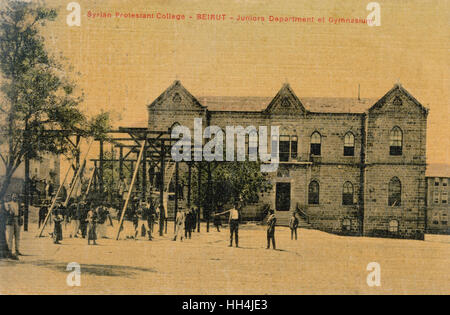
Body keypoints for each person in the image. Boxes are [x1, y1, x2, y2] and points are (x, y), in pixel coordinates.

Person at [5, 194, 23, 258]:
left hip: (17, 219)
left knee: (17, 236)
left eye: (16, 197)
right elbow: (6, 212)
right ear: (11, 197)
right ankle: (9, 250)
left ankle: (17, 250)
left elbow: (21, 212)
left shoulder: (19, 204)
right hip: (10, 220)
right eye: (13, 197)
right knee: (10, 236)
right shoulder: (8, 204)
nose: (14, 198)